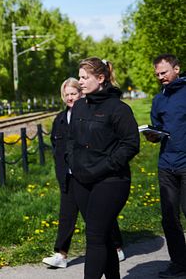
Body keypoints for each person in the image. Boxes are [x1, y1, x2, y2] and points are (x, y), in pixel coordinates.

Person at [64, 57, 139, 279]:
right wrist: (73, 162)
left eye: (85, 78)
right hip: (82, 181)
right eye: (79, 77)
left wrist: (106, 165)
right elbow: (70, 140)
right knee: (104, 235)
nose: (80, 82)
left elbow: (131, 144)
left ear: (101, 78)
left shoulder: (118, 109)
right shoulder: (78, 107)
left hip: (111, 181)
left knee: (95, 236)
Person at [43, 78, 125, 269]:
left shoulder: (89, 114)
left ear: (81, 94)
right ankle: (61, 254)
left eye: (74, 93)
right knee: (66, 215)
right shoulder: (60, 119)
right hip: (68, 175)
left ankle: (116, 246)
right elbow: (57, 146)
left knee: (96, 215)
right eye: (67, 95)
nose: (70, 98)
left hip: (88, 173)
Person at [147, 54, 186, 278]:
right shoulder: (158, 99)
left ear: (177, 69)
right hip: (166, 164)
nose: (161, 77)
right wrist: (152, 135)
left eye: (164, 72)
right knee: (169, 217)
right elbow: (158, 128)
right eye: (158, 74)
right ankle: (179, 264)